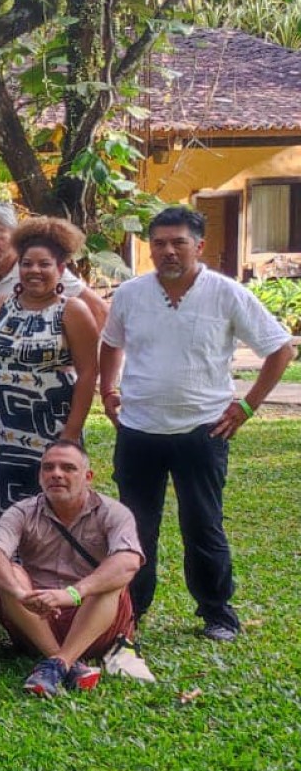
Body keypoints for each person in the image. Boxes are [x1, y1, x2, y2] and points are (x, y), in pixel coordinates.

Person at [99, 205, 296, 642]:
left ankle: (217, 613)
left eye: (178, 243)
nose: (168, 251)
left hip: (203, 430)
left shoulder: (225, 293)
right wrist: (107, 389)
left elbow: (280, 349)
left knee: (202, 522)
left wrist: (246, 407)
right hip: (139, 430)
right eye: (159, 244)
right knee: (134, 525)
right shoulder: (131, 294)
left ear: (199, 246)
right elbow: (111, 343)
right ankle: (130, 610)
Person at [0, 441, 143, 696]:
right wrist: (21, 595)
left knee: (112, 580)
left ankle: (57, 663)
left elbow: (129, 562)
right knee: (9, 573)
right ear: (40, 476)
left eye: (68, 468)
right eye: (48, 468)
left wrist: (72, 594)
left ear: (88, 477)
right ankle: (63, 661)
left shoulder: (114, 512)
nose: (56, 473)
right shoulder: (22, 511)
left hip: (94, 624)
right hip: (37, 621)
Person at [0, 217, 100, 518]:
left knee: (54, 502)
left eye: (44, 264)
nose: (34, 271)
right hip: (2, 431)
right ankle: (5, 563)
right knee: (5, 505)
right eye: (27, 263)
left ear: (61, 268)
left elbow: (88, 375)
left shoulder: (72, 311)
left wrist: (71, 432)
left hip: (52, 428)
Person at [0, 201, 105, 376]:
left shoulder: (40, 272)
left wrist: (78, 357)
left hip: (44, 382)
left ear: (13, 232)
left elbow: (100, 311)